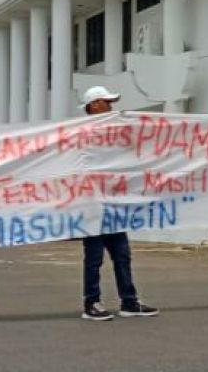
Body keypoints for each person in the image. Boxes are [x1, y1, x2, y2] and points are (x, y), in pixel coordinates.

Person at [79, 86, 159, 320]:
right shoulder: (82, 134)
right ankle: (92, 302)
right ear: (94, 105)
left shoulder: (116, 132)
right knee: (94, 258)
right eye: (106, 101)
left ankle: (129, 301)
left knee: (122, 255)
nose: (111, 106)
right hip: (93, 205)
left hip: (115, 205)